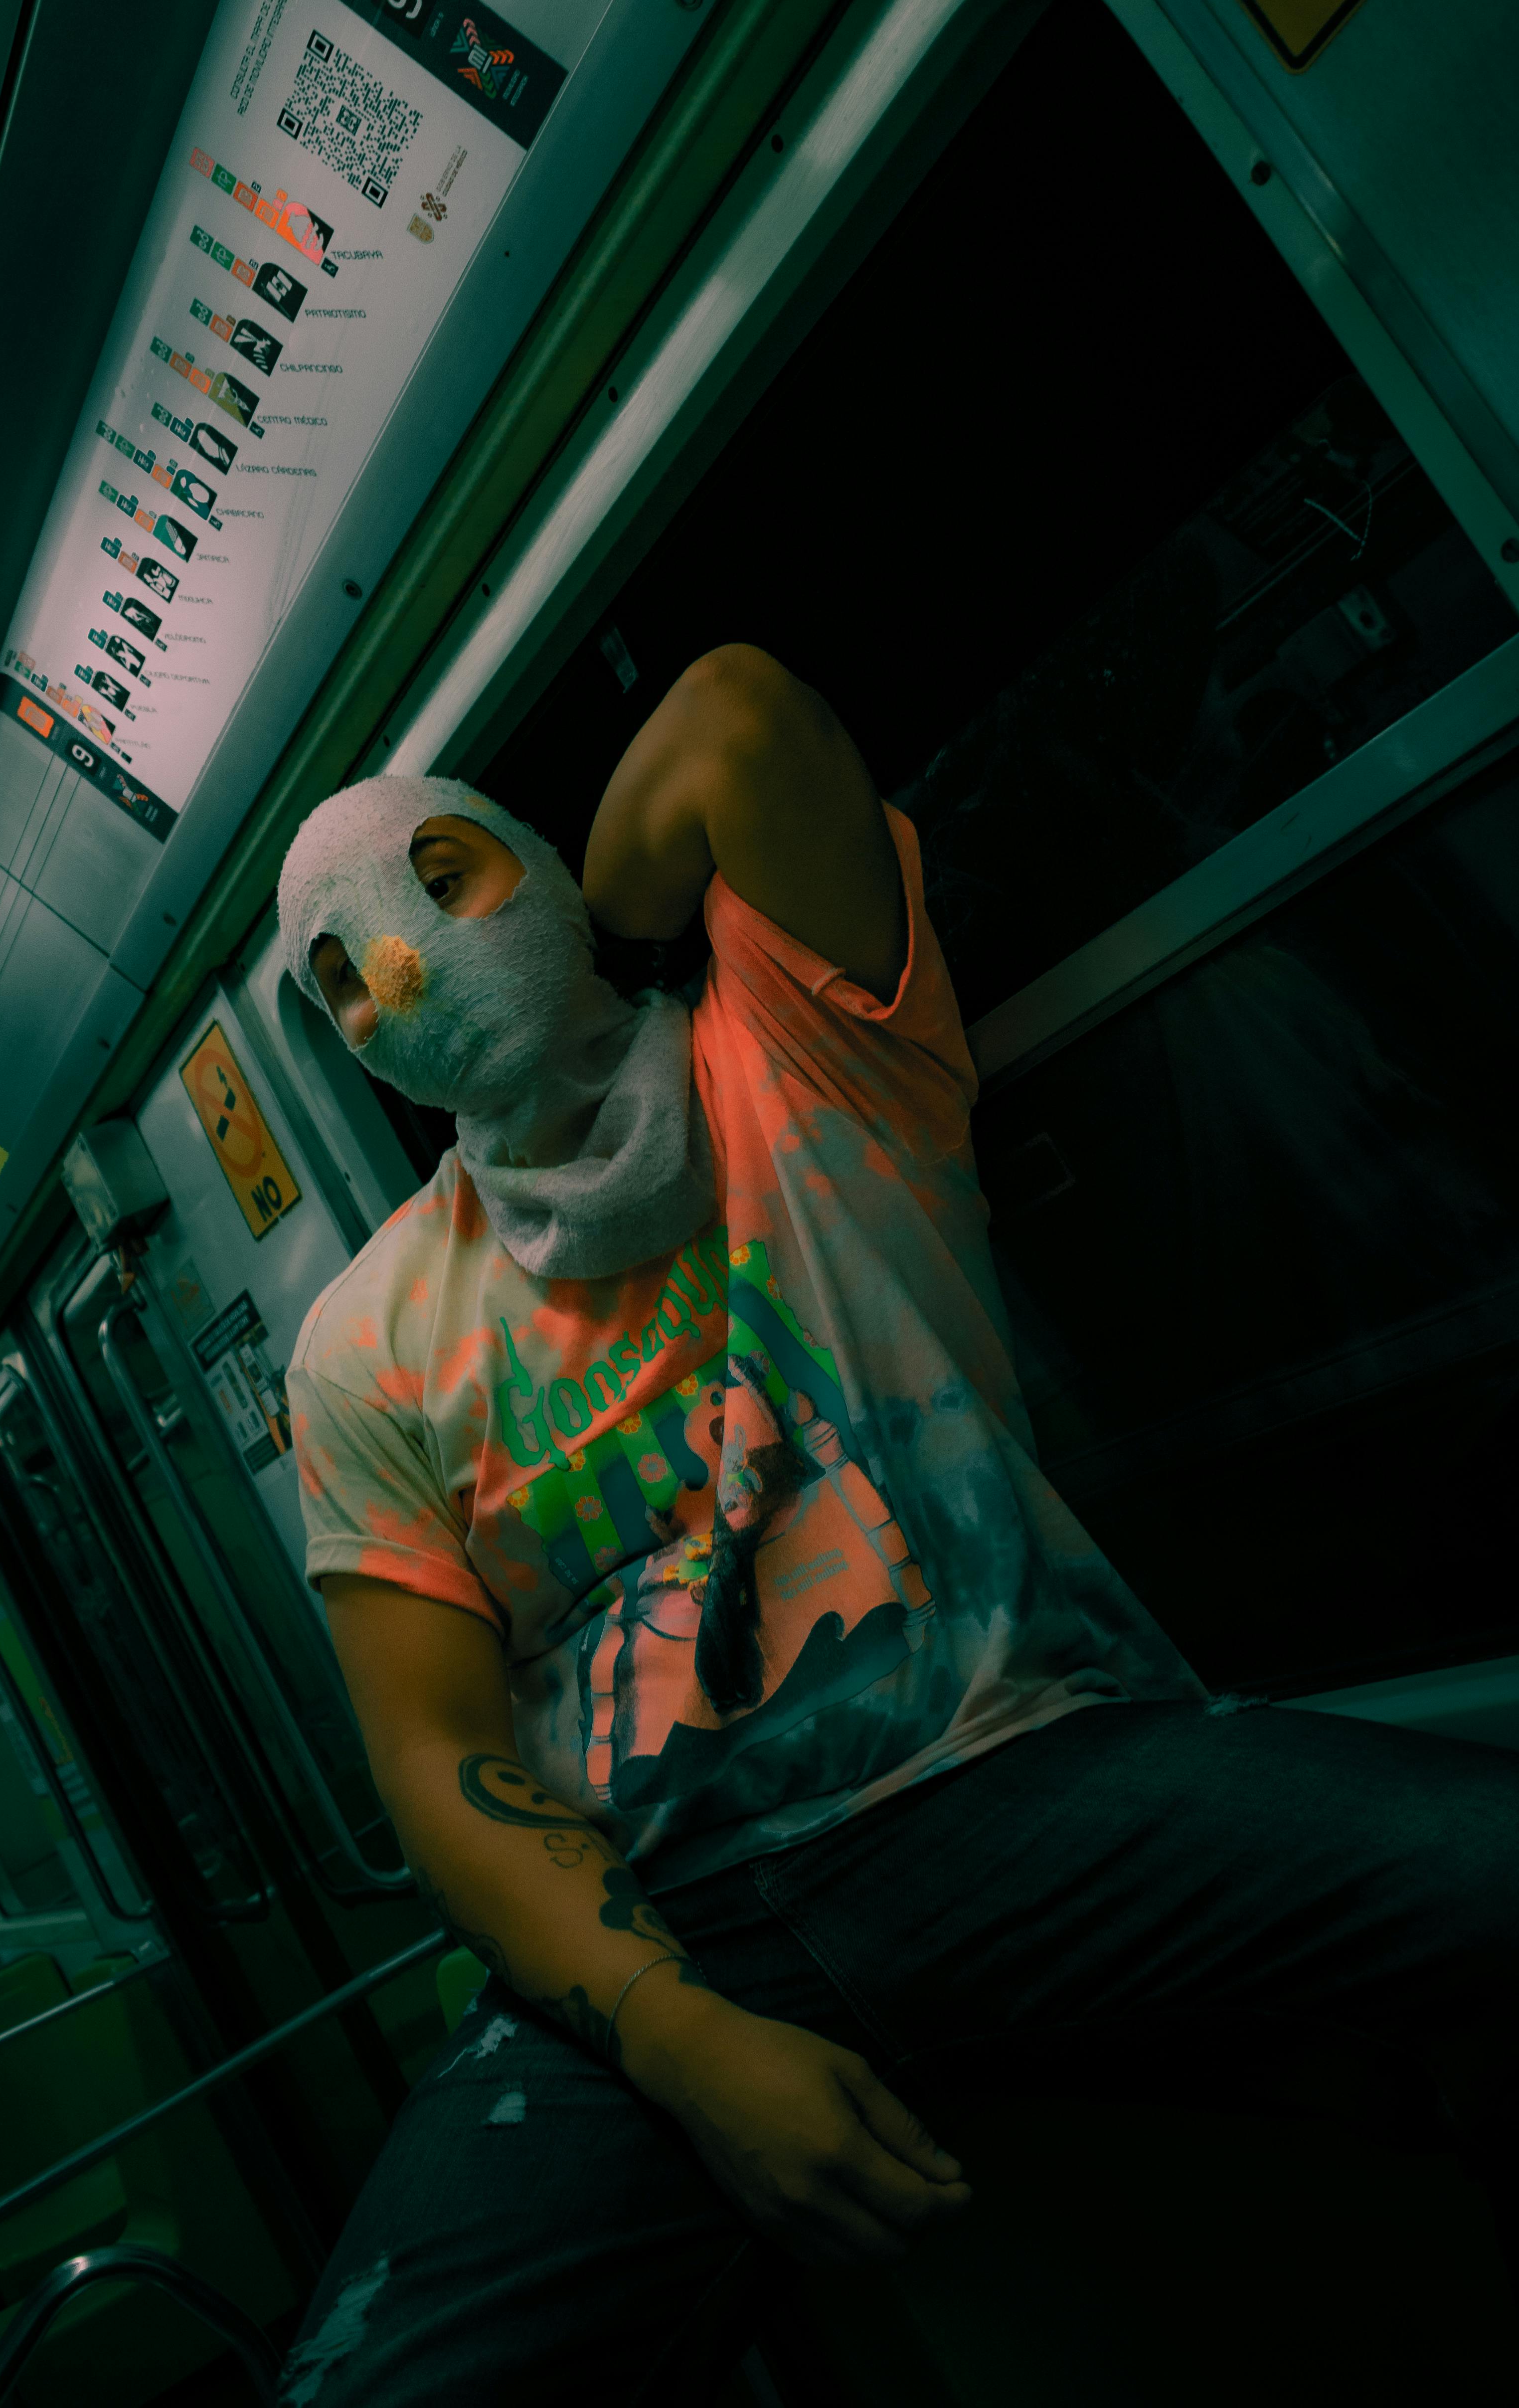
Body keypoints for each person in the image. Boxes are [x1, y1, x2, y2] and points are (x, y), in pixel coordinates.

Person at [272, 644, 1518, 2404]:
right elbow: (432, 1755)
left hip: (1005, 1767)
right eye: (336, 981)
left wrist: (586, 910)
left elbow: (737, 718)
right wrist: (680, 2037)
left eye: (440, 882)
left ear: (532, 866)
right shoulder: (364, 1344)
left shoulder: (790, 1052)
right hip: (657, 1918)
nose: (393, 967)